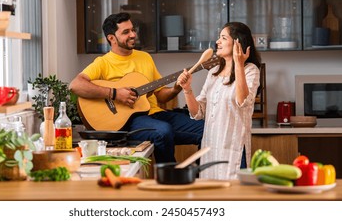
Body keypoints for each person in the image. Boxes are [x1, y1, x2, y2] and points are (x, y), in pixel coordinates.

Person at [69, 12, 204, 163]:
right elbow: (76, 85)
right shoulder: (103, 63)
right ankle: (169, 177)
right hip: (129, 122)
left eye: (133, 30)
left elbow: (161, 95)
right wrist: (115, 93)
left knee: (206, 128)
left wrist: (177, 88)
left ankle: (204, 176)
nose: (133, 34)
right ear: (111, 38)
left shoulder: (145, 57)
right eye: (126, 32)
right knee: (162, 131)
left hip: (156, 115)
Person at [176, 22, 261, 180]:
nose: (217, 42)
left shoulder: (250, 70)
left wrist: (239, 64)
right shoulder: (214, 72)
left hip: (234, 148)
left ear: (237, 43)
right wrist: (187, 89)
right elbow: (198, 113)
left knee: (234, 197)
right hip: (210, 147)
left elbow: (243, 101)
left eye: (223, 37)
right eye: (219, 37)